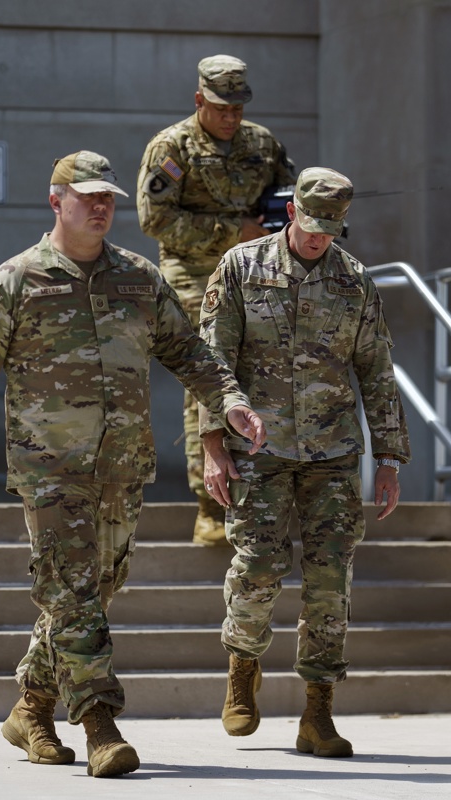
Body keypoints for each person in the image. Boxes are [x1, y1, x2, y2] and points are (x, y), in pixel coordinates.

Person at [0, 150, 266, 779]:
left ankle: (31, 705)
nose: (102, 207)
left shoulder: (138, 277)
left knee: (94, 591)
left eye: (108, 198)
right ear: (57, 202)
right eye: (88, 197)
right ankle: (100, 724)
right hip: (50, 470)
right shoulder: (15, 282)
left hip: (122, 467)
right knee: (74, 591)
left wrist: (231, 402)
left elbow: (191, 352)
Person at [199, 167, 409, 758]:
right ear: (292, 213)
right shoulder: (242, 267)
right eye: (312, 225)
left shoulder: (355, 282)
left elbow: (376, 370)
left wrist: (390, 457)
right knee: (259, 568)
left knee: (329, 583)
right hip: (258, 450)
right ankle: (243, 666)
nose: (319, 238)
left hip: (334, 452)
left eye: (331, 229)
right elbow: (212, 362)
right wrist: (212, 448)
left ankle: (318, 712)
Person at [137, 54, 297, 547]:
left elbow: (288, 198)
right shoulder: (172, 146)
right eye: (221, 107)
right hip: (193, 277)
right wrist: (232, 231)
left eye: (238, 107)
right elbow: (155, 219)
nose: (231, 117)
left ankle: (266, 494)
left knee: (264, 374)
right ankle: (210, 505)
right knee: (208, 380)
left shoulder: (262, 144)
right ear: (199, 100)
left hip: (253, 275)